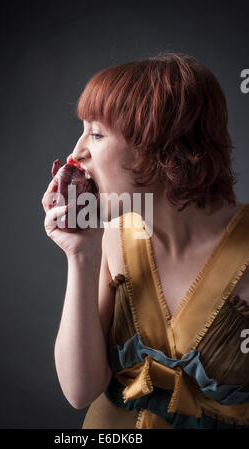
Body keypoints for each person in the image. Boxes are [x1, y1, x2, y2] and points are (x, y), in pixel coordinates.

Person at [42, 52, 249, 429]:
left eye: (97, 134)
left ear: (163, 148)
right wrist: (81, 254)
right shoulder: (114, 238)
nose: (76, 154)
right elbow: (79, 391)